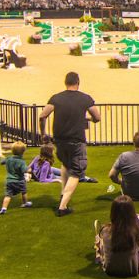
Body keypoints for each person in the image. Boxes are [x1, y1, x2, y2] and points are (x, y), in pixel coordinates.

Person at [39, 72, 101, 217]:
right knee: (77, 172)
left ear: (65, 82)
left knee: (66, 165)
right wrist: (89, 119)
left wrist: (43, 133)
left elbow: (42, 115)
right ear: (78, 82)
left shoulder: (56, 98)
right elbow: (97, 117)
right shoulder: (85, 98)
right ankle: (63, 206)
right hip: (76, 140)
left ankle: (63, 193)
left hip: (60, 140)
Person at [93, 195, 139, 278]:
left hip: (110, 270)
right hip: (134, 269)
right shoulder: (138, 229)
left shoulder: (105, 230)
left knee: (102, 243)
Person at [0, 141, 31, 213]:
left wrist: (2, 157)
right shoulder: (21, 162)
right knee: (23, 192)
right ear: (23, 152)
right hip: (19, 181)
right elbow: (24, 170)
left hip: (9, 181)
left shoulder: (8, 159)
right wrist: (29, 170)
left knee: (8, 195)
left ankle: (4, 208)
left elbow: (2, 162)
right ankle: (25, 203)